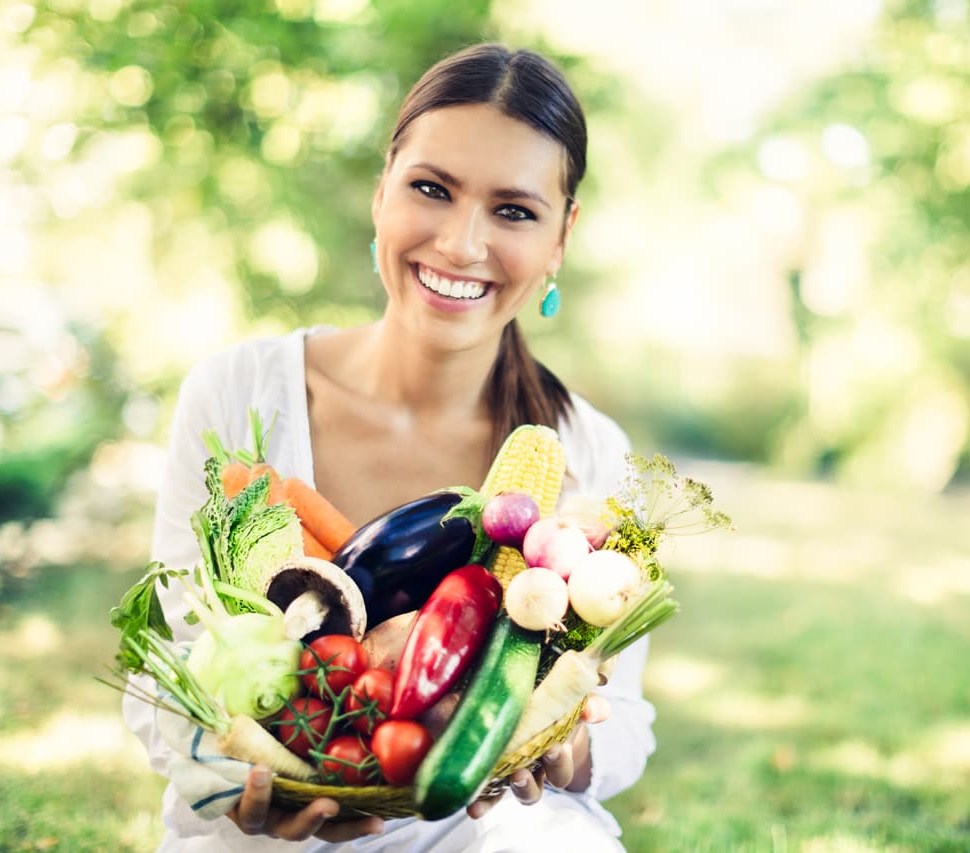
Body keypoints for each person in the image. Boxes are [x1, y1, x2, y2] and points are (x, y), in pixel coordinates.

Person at [122, 43, 657, 851]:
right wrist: (240, 789)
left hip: (492, 828)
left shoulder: (592, 450)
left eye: (513, 210)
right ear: (382, 193)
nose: (461, 244)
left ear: (560, 237)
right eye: (431, 189)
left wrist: (556, 743)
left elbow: (630, 726)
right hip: (273, 832)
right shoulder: (238, 392)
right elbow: (167, 673)